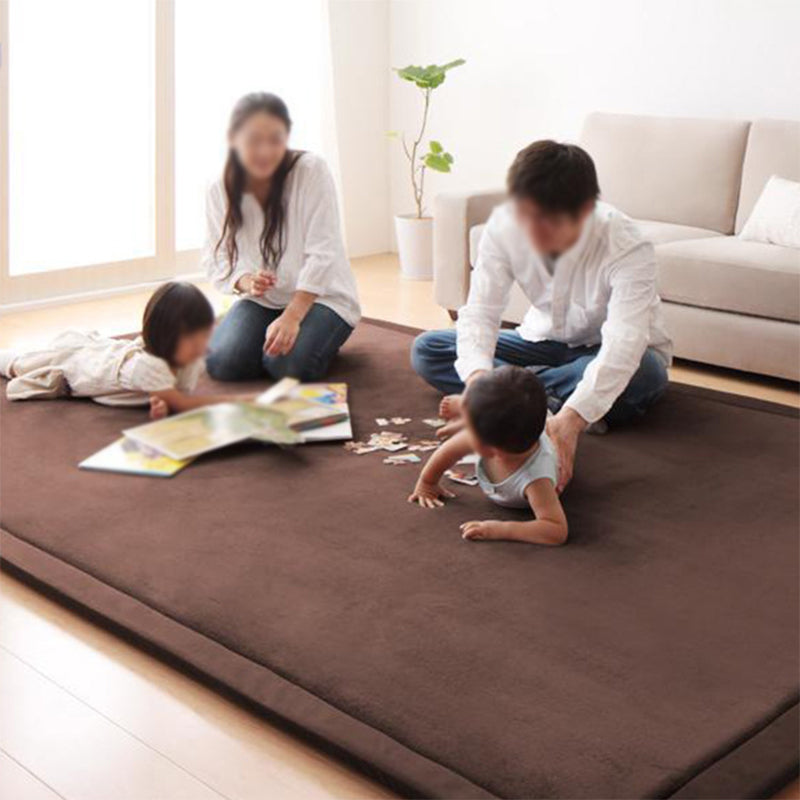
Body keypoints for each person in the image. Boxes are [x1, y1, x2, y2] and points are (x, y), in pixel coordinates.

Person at [411, 140, 672, 493]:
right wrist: (477, 387)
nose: (531, 233)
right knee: (428, 349)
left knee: (646, 374)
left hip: (604, 351)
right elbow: (480, 312)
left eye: (546, 223)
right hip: (539, 340)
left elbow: (624, 342)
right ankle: (523, 400)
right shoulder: (503, 227)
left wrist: (570, 421)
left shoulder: (627, 245)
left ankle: (523, 401)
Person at [204, 92, 360, 383]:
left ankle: (317, 339)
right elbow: (216, 258)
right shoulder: (219, 189)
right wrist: (245, 280)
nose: (265, 151)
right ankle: (286, 345)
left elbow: (323, 253)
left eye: (275, 140)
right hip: (265, 301)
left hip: (323, 298)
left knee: (286, 367)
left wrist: (292, 317)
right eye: (254, 140)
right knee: (222, 363)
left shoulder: (311, 171)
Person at [0, 282, 251, 419]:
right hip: (82, 365)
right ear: (169, 339)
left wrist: (161, 400)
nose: (203, 348)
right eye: (196, 342)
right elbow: (185, 403)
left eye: (204, 337)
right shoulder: (147, 367)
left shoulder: (188, 360)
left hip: (110, 354)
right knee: (22, 362)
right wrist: (245, 401)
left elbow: (173, 395)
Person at [408, 366, 567, 545]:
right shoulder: (486, 439)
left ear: (488, 449)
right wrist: (427, 484)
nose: (468, 436)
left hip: (541, 425)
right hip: (526, 421)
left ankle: (465, 408)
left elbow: (556, 530)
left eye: (469, 427)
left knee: (519, 410)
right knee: (505, 405)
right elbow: (446, 452)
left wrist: (499, 529)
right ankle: (464, 406)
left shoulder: (536, 480)